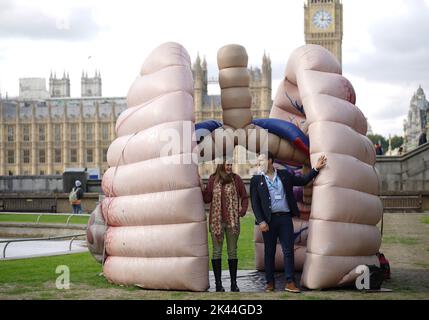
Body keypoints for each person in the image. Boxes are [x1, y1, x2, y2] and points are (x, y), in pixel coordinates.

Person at [250, 152, 327, 293]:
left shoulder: (285, 175)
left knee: (288, 251)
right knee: (269, 252)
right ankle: (269, 283)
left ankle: (290, 282)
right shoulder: (256, 180)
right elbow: (254, 203)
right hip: (268, 221)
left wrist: (316, 169)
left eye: (261, 160)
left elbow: (303, 181)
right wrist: (261, 221)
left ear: (270, 161)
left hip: (285, 219)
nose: (259, 163)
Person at [200, 160, 249, 292]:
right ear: (221, 165)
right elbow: (207, 199)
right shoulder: (212, 179)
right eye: (227, 164)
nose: (229, 167)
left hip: (232, 222)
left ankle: (234, 284)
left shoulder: (236, 179)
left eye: (231, 165)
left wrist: (242, 210)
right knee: (217, 252)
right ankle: (218, 285)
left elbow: (244, 196)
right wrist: (201, 187)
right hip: (216, 222)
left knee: (232, 251)